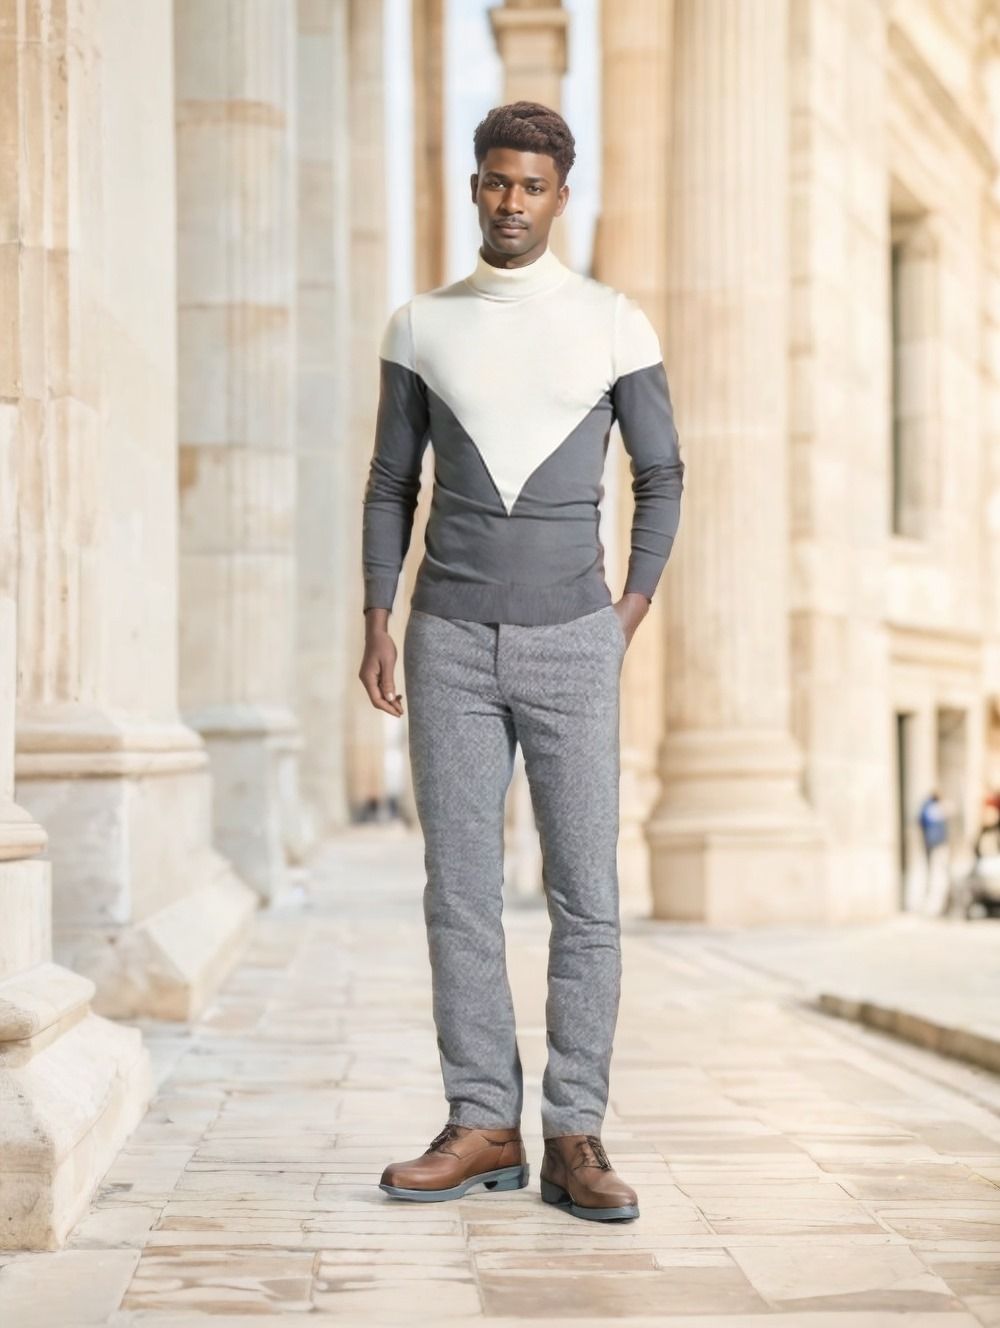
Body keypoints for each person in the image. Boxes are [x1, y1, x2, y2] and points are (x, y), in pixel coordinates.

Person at [359, 101, 684, 1224]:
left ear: (560, 195)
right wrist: (375, 613)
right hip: (446, 635)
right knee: (458, 890)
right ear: (475, 186)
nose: (511, 201)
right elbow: (391, 482)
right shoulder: (420, 325)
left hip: (571, 638)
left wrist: (625, 609)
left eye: (532, 186)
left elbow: (664, 472)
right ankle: (482, 1120)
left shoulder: (611, 322)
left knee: (586, 894)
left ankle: (576, 1131)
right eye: (495, 182)